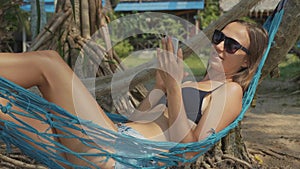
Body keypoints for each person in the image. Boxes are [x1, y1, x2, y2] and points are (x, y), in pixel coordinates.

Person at [0, 19, 268, 168]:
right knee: (4, 105)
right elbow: (139, 123)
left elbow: (189, 151)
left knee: (48, 63)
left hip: (116, 156)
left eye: (232, 45)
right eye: (219, 37)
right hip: (113, 141)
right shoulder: (197, 85)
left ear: (246, 61)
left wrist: (174, 88)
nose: (220, 46)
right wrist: (160, 88)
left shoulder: (229, 90)